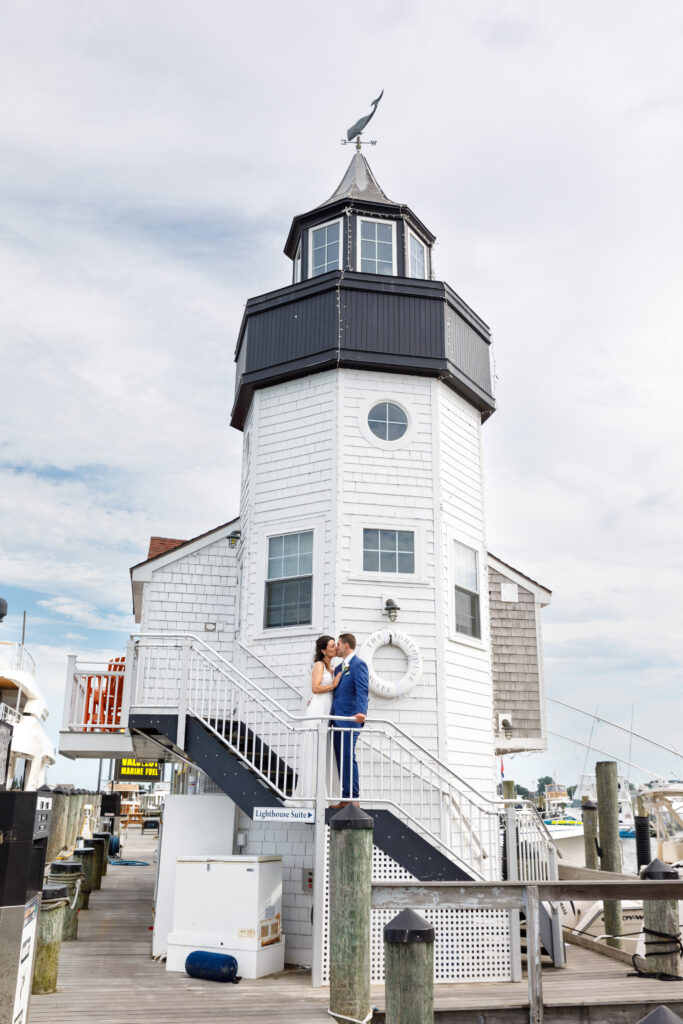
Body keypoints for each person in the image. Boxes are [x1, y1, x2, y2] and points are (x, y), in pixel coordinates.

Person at [290, 635, 340, 802]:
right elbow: (315, 688)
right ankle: (310, 794)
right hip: (318, 709)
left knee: (325, 749)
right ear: (324, 650)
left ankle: (325, 792)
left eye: (335, 645)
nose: (335, 648)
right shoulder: (319, 665)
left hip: (327, 709)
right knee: (314, 750)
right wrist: (334, 684)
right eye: (332, 646)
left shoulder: (331, 667)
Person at [330, 632, 369, 807]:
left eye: (338, 644)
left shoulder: (359, 665)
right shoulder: (338, 668)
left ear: (346, 645)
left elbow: (362, 690)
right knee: (340, 757)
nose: (337, 647)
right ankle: (345, 798)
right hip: (336, 718)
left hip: (351, 719)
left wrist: (361, 712)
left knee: (347, 756)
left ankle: (352, 798)